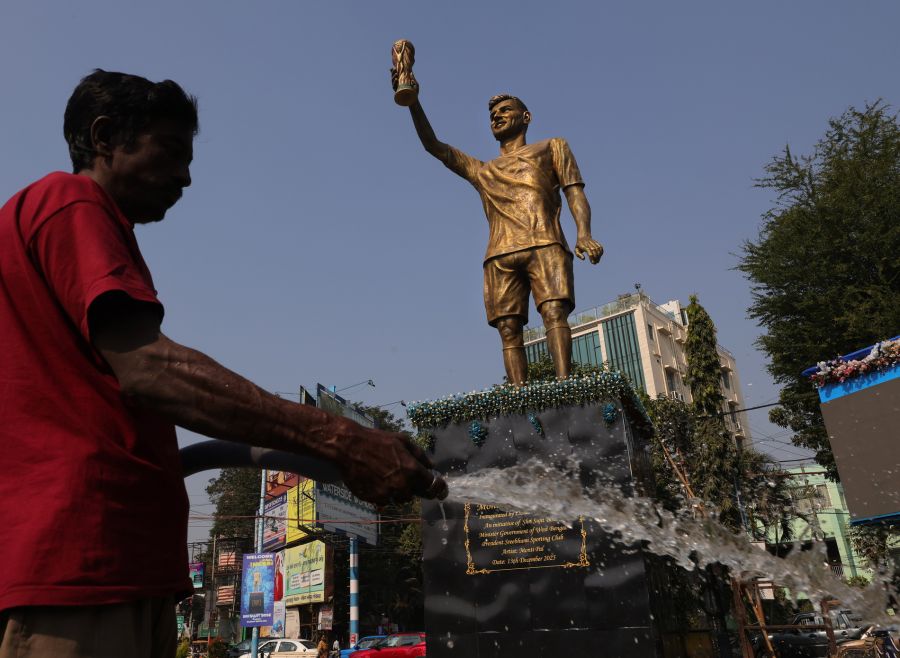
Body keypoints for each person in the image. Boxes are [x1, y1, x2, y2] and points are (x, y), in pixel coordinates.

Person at [0, 69, 447, 658]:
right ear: (105, 137)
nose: (185, 177)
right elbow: (151, 369)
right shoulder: (70, 201)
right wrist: (344, 439)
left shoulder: (80, 225)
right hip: (82, 565)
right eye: (170, 151)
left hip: (114, 565)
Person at [398, 83, 603, 384]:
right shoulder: (483, 171)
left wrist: (584, 233)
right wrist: (414, 103)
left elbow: (575, 193)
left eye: (505, 110)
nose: (497, 116)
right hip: (500, 255)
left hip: (545, 243)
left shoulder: (552, 147)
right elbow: (434, 146)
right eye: (493, 114)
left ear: (526, 117)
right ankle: (518, 394)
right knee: (508, 330)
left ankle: (564, 386)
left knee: (554, 313)